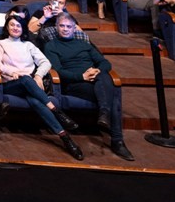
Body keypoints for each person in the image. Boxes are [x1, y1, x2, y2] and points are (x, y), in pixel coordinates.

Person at [0, 15, 84, 160]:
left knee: (35, 101)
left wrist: (39, 76)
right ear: (7, 27)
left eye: (18, 26)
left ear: (22, 29)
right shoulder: (1, 44)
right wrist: (11, 72)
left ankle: (65, 138)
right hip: (10, 84)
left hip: (29, 86)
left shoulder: (28, 45)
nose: (15, 28)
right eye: (12, 25)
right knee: (26, 79)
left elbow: (45, 63)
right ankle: (57, 111)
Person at [44, 14, 133, 160]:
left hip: (95, 79)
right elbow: (58, 71)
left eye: (69, 26)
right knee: (113, 96)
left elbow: (105, 63)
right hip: (74, 83)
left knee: (104, 76)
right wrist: (82, 76)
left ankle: (106, 116)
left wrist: (97, 70)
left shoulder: (84, 44)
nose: (65, 29)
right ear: (56, 27)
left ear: (74, 28)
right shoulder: (51, 46)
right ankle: (117, 140)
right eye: (62, 26)